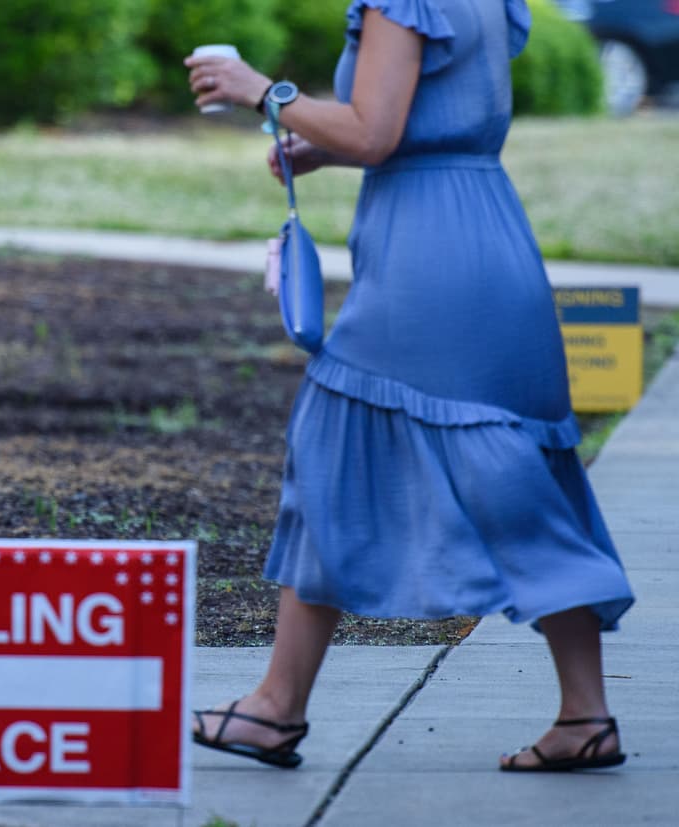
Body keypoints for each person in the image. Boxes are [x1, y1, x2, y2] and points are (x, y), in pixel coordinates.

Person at [184, 0, 634, 773]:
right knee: (519, 475)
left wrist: (261, 89)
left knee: (334, 448)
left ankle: (275, 708)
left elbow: (376, 130)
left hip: (429, 263)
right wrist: (323, 150)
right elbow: (427, 120)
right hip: (491, 236)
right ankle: (585, 714)